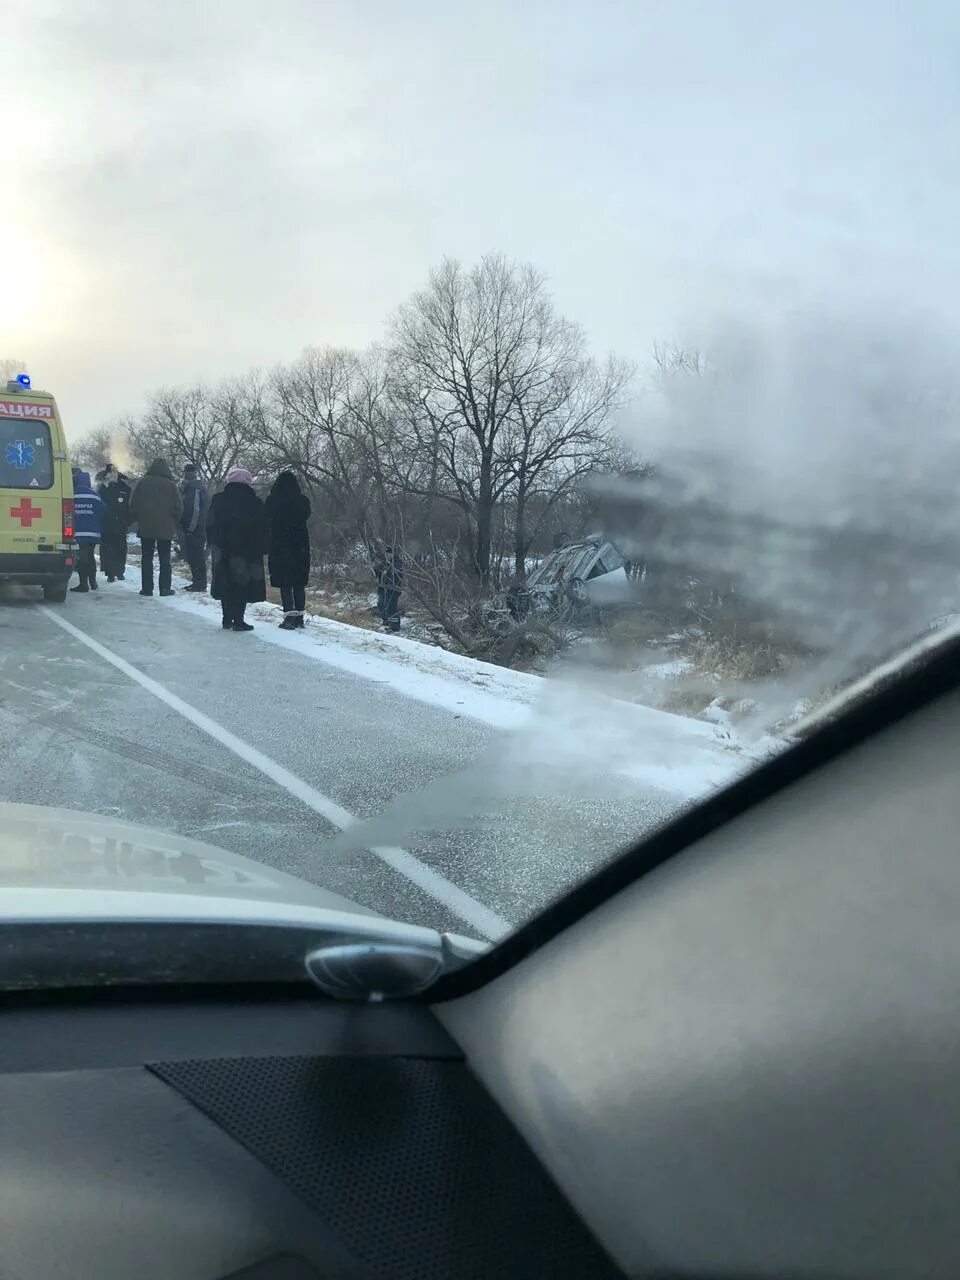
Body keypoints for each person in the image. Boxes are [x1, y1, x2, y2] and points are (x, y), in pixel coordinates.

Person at [206, 467, 268, 632]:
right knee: (242, 584)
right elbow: (262, 528)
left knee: (225, 582)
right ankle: (238, 620)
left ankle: (226, 618)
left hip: (223, 549)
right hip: (247, 551)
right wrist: (262, 547)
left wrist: (212, 542)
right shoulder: (255, 502)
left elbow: (210, 523)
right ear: (248, 482)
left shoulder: (218, 499)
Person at [264, 471, 311, 630]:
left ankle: (289, 616)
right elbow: (306, 515)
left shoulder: (272, 501)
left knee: (285, 582)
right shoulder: (303, 501)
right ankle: (300, 618)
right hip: (300, 547)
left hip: (280, 546)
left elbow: (266, 518)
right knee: (298, 583)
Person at [129, 458, 183, 597]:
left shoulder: (143, 483)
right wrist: (173, 522)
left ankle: (147, 589)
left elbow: (133, 504)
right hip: (166, 528)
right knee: (165, 559)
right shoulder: (171, 485)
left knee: (146, 558)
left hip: (146, 527)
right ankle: (165, 588)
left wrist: (139, 519)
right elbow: (179, 507)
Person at [96, 463, 132, 582]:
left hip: (121, 524)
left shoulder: (125, 489)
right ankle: (110, 572)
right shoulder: (102, 488)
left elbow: (130, 507)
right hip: (107, 524)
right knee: (108, 549)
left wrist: (128, 521)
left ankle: (120, 571)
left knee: (121, 548)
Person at [70, 471, 103, 593]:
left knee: (82, 558)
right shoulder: (95, 495)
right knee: (90, 556)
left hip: (78, 533)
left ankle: (83, 584)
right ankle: (93, 582)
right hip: (93, 533)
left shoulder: (72, 495)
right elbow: (103, 510)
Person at [179, 463, 208, 592]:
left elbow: (196, 510)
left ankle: (200, 583)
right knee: (193, 556)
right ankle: (197, 581)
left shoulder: (196, 489)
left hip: (196, 528)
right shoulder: (189, 488)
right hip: (193, 527)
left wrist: (191, 528)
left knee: (196, 556)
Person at [374, 543, 404, 632]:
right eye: (386, 553)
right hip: (383, 587)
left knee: (391, 607)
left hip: (393, 588)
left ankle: (395, 627)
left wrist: (389, 570)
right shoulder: (385, 562)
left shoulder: (397, 562)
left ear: (393, 553)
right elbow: (379, 572)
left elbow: (396, 574)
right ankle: (386, 621)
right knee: (381, 604)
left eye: (389, 553)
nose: (387, 555)